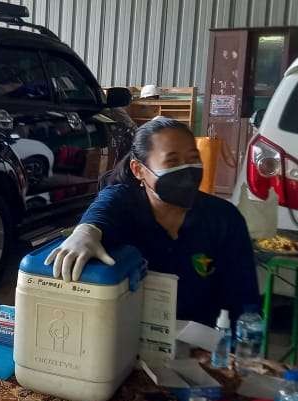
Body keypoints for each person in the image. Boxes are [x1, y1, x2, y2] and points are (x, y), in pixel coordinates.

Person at [46, 116, 260, 326]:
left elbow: (244, 298)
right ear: (138, 170)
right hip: (126, 341)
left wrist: (240, 349)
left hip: (201, 347)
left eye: (193, 158)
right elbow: (101, 212)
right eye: (172, 161)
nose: (187, 170)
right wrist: (84, 233)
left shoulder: (223, 218)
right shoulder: (123, 201)